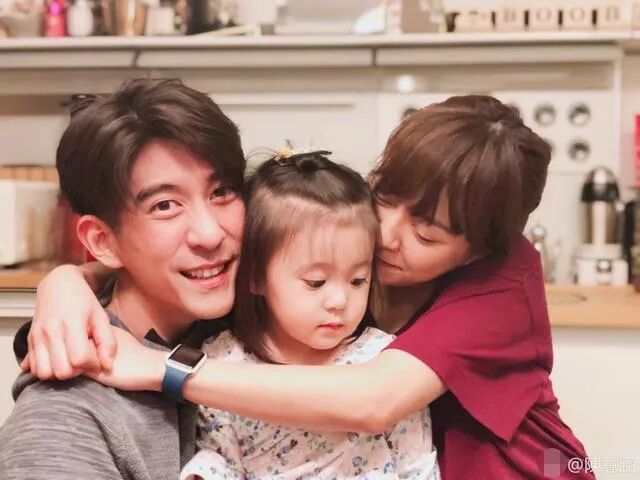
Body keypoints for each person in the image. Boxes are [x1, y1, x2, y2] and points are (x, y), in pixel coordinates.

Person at [22, 95, 594, 479]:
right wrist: (66, 281)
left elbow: (371, 402)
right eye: (384, 197)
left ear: (479, 250)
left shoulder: (500, 283)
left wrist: (160, 368)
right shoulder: (303, 265)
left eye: (426, 232)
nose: (386, 234)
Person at [0, 78, 246, 479]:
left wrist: (68, 277)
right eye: (165, 206)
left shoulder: (277, 309)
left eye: (222, 191)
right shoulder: (64, 422)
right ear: (103, 241)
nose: (211, 233)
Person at [180, 151, 439, 479]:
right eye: (316, 282)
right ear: (256, 276)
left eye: (358, 280)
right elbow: (220, 458)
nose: (339, 301)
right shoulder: (222, 360)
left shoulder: (384, 359)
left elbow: (417, 467)